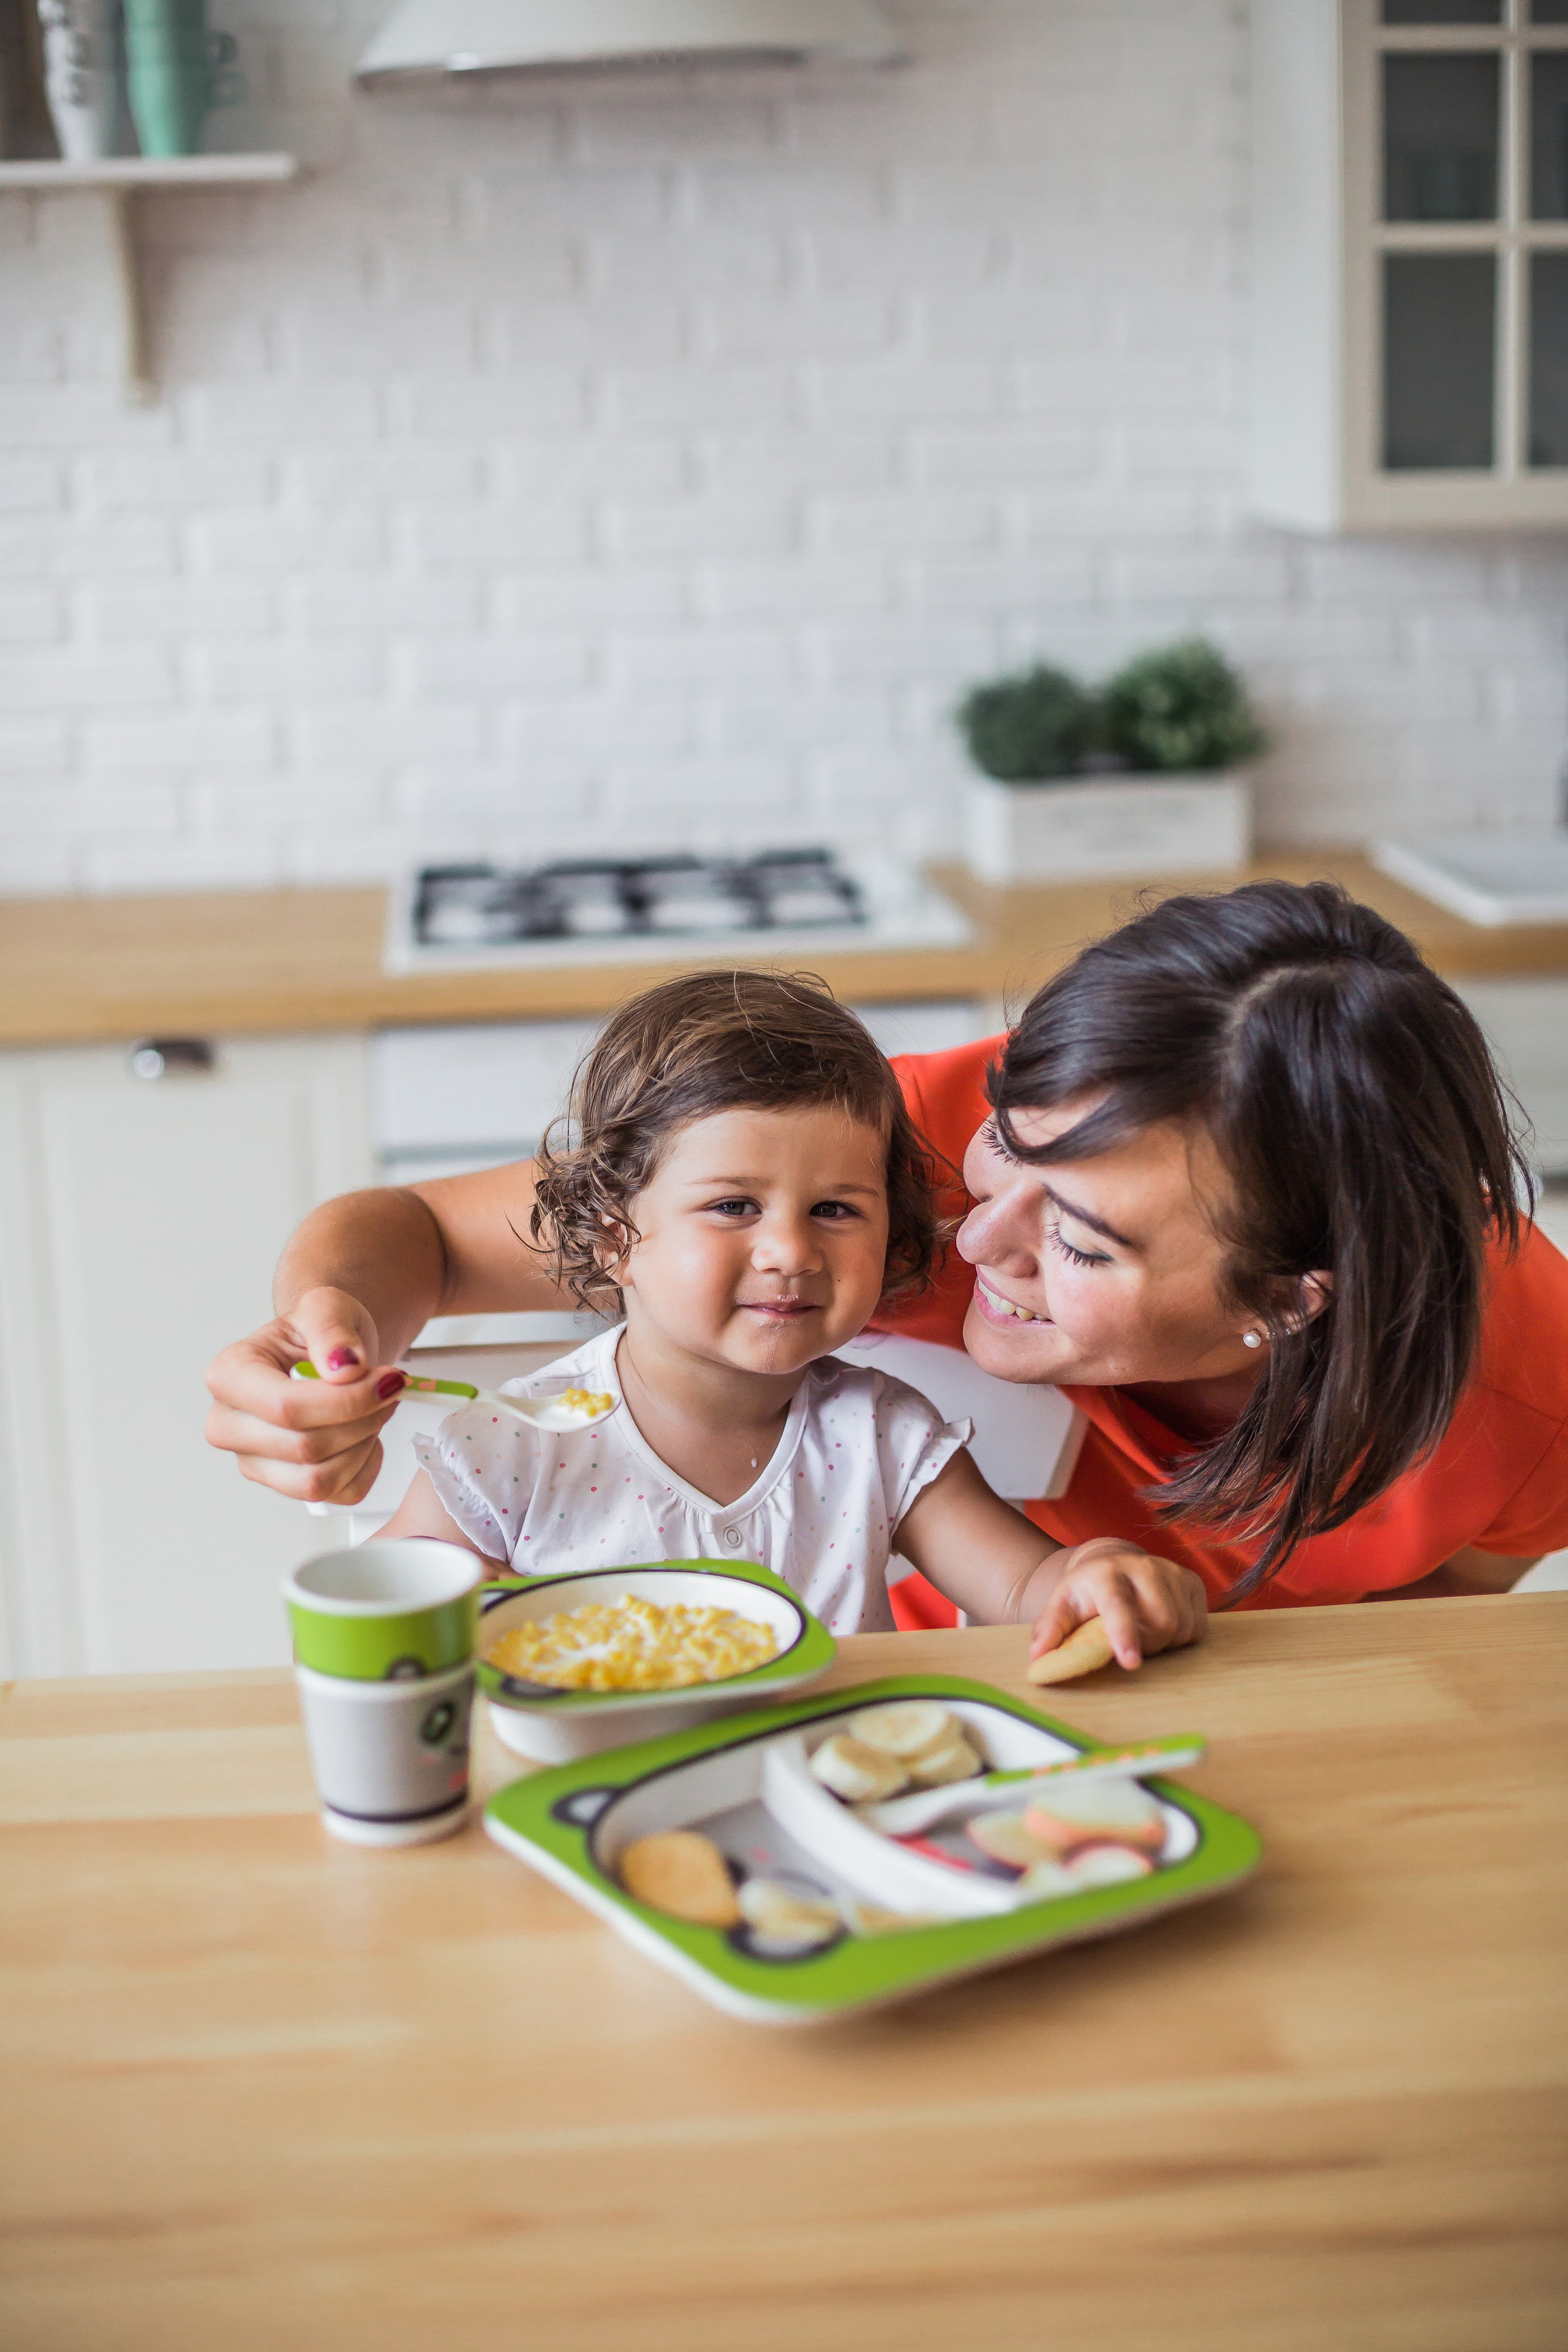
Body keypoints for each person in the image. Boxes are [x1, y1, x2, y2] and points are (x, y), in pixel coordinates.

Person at [206, 880, 1568, 1629]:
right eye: (1002, 1155)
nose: (972, 1240)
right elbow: (412, 1238)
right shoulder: (856, 1170)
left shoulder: (1529, 1402)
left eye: (1076, 1242)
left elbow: (1404, 1666)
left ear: (1284, 1300)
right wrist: (329, 1334)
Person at [371, 970, 1205, 1661]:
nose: (790, 1251)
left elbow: (1028, 1591)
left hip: (835, 1795)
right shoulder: (512, 1445)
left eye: (837, 1211)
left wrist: (1101, 1573)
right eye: (735, 1205)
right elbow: (383, 1613)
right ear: (612, 1235)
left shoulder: (880, 1436)